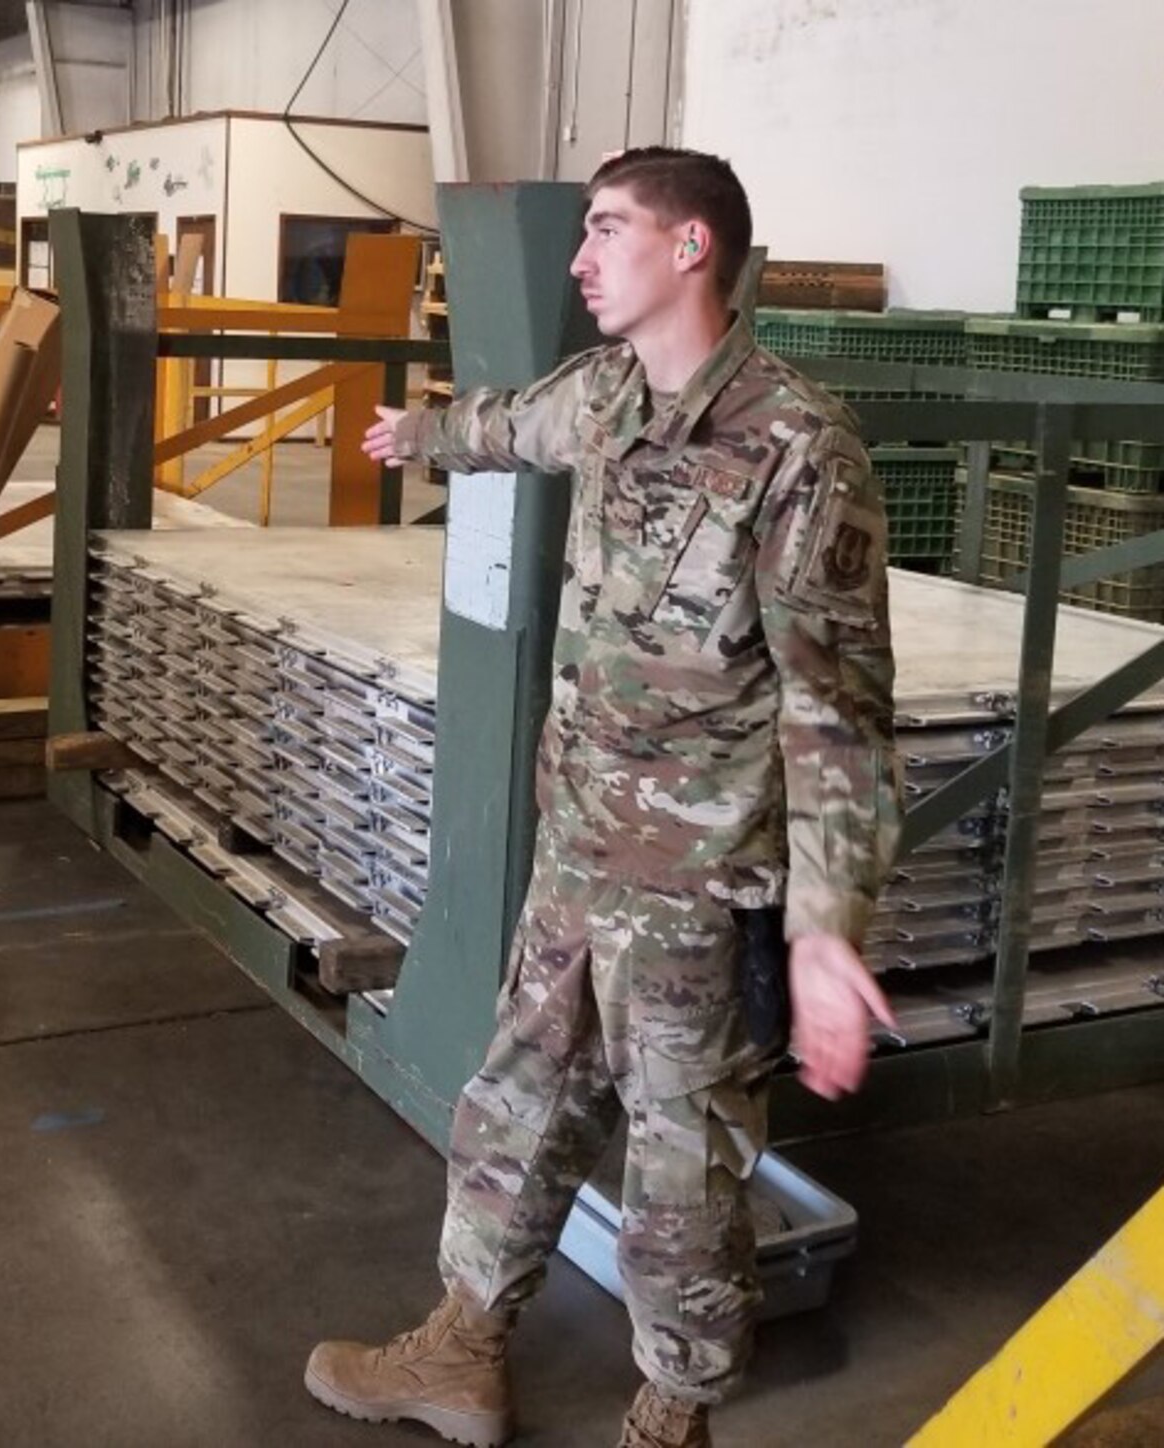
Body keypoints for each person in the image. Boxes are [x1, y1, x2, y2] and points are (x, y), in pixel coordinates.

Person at [304, 147, 903, 1448]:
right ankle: (462, 1346)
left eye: (606, 230)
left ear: (691, 249)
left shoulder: (801, 449)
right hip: (577, 859)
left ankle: (674, 1412)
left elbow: (839, 707)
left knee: (681, 1176)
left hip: (696, 897)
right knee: (515, 1100)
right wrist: (421, 433)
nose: (580, 259)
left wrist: (823, 927)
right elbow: (507, 422)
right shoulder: (606, 397)